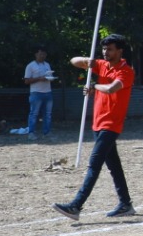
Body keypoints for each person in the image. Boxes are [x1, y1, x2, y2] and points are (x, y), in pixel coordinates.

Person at [54, 34, 136, 220]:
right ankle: (125, 204)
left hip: (111, 125)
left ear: (120, 51)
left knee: (94, 164)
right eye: (104, 49)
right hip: (98, 123)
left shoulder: (126, 71)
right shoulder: (101, 64)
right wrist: (88, 61)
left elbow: (112, 88)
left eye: (110, 49)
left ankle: (76, 206)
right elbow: (73, 61)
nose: (106, 52)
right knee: (114, 167)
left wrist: (94, 86)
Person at [21, 47, 56, 138]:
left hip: (48, 92)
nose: (42, 56)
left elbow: (50, 76)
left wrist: (50, 78)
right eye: (40, 54)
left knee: (47, 114)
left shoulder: (47, 64)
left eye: (44, 54)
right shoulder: (30, 66)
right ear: (36, 54)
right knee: (34, 113)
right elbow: (26, 81)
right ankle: (31, 132)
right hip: (36, 93)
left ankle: (47, 132)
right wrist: (39, 79)